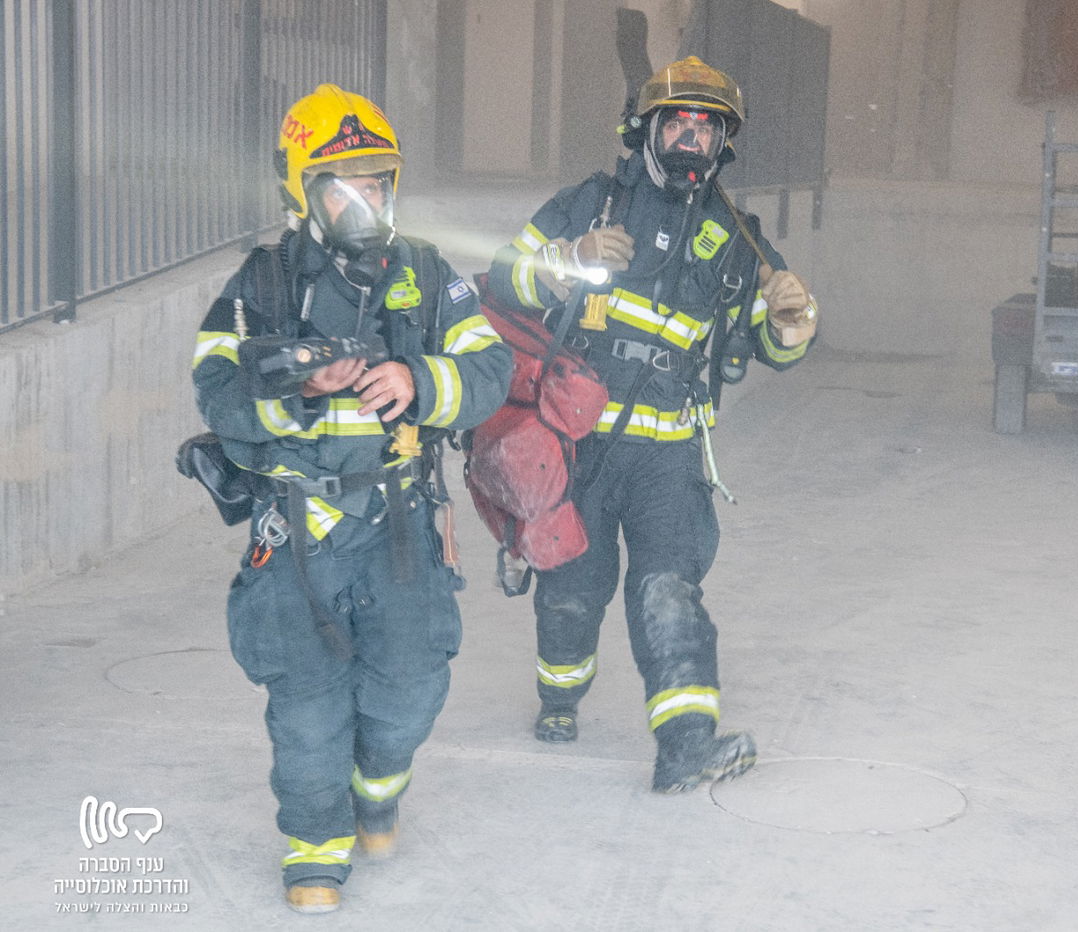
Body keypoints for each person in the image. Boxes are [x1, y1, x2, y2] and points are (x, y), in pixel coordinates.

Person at [192, 83, 511, 913]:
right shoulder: (256, 285)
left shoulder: (427, 273)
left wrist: (420, 378)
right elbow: (218, 393)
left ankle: (378, 783)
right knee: (306, 704)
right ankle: (314, 846)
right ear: (302, 190)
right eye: (344, 185)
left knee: (411, 686)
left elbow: (488, 371)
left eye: (377, 183)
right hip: (297, 529)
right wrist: (300, 384)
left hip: (399, 519)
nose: (366, 201)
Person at [486, 57, 819, 793]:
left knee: (668, 588)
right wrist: (566, 258)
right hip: (580, 445)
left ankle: (685, 747)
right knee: (575, 585)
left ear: (722, 143)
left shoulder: (740, 239)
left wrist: (793, 320)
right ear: (647, 129)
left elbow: (772, 342)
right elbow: (502, 280)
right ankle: (560, 693)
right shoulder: (590, 204)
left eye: (706, 129)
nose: (691, 140)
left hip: (668, 454)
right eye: (679, 123)